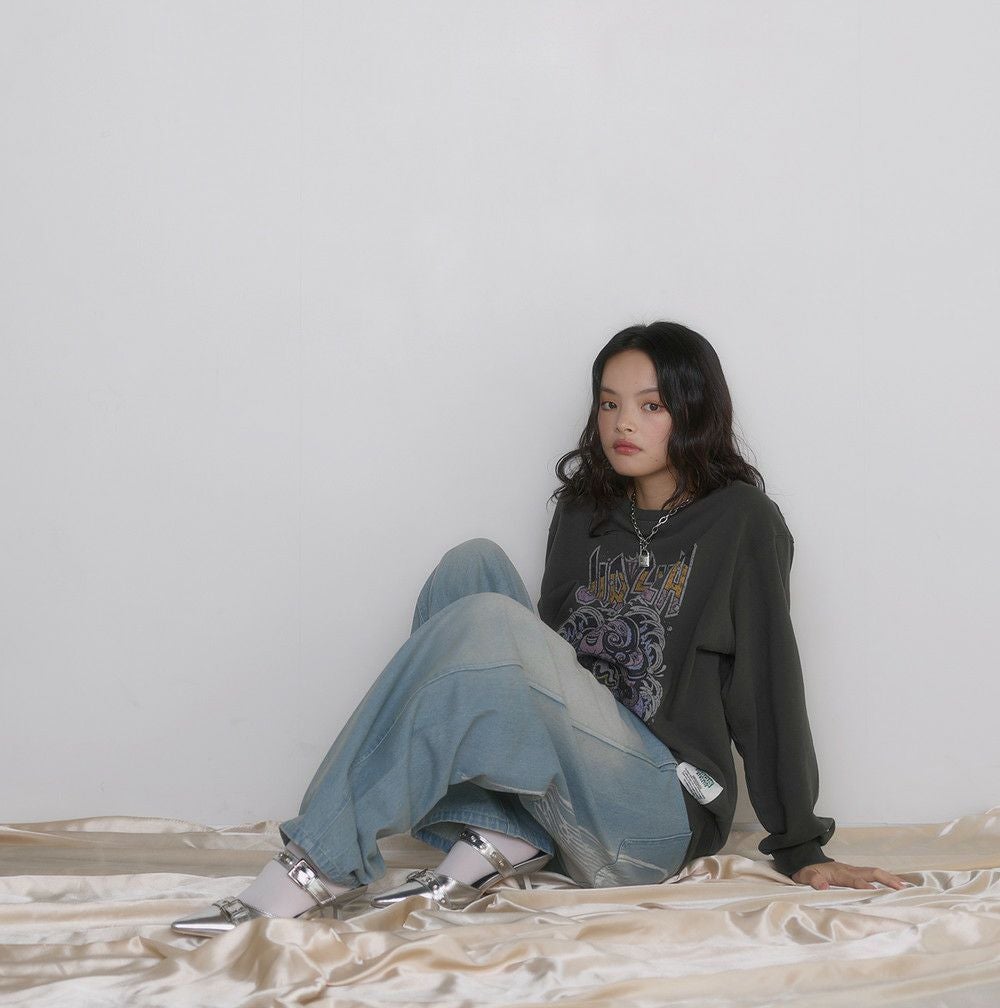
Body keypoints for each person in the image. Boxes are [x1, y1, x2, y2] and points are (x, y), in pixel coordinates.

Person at [173, 321, 910, 937]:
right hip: (577, 776)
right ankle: (497, 835)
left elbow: (768, 684)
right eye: (609, 403)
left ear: (693, 412)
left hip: (657, 808)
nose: (623, 423)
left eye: (651, 405)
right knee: (471, 568)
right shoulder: (585, 510)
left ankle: (315, 863)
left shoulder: (742, 521)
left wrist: (802, 846)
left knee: (490, 620)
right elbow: (554, 660)